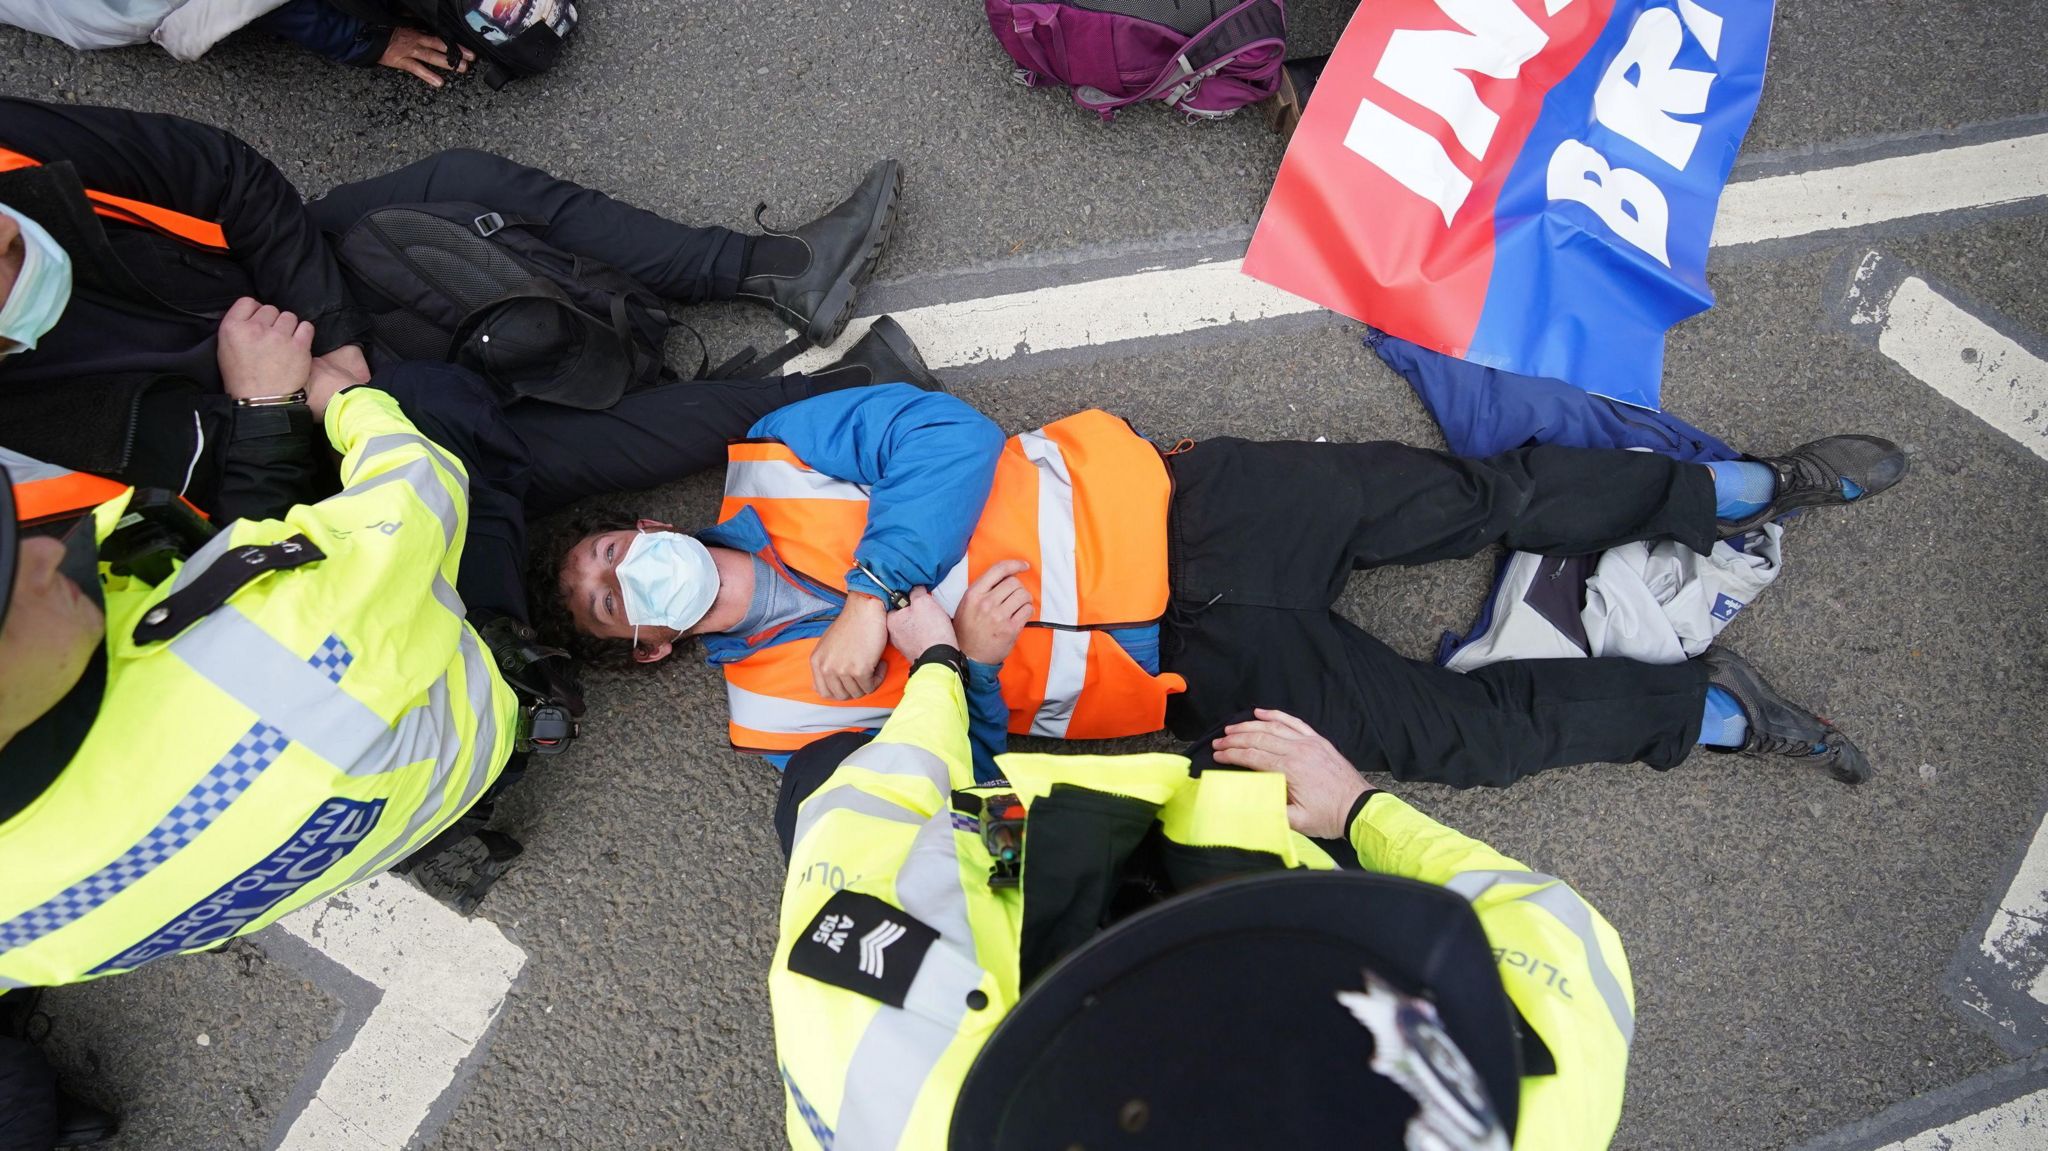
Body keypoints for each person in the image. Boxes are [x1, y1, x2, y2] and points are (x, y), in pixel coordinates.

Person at [556, 383, 1907, 787]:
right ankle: (1713, 712)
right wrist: (956, 657)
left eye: (616, 550)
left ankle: (1749, 485)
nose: (634, 573)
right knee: (1466, 745)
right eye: (617, 599)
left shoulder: (777, 460)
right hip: (1199, 684)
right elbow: (958, 798)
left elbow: (942, 436)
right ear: (654, 647)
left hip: (1194, 509)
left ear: (645, 524)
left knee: (1479, 503)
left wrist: (875, 596)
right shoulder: (775, 721)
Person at [765, 587, 1633, 1149]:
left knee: (830, 772)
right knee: (1252, 741)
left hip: (1010, 864)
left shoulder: (869, 1055)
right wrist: (1356, 809)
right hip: (1259, 871)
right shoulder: (1541, 1089)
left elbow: (869, 807)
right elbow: (1544, 919)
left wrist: (944, 672)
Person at [0, 95, 903, 533]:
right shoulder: (27, 461)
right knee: (499, 442)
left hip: (290, 292)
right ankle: (836, 399)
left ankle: (772, 270)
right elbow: (220, 563)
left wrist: (337, 333)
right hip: (286, 457)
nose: (16, 248)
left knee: (459, 189)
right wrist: (272, 413)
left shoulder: (11, 149)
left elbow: (223, 171)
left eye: (8, 233)